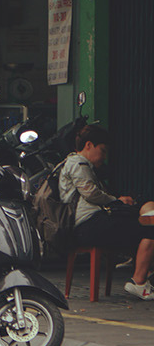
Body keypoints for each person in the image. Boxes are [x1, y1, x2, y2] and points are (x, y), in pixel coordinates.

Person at [58, 122, 154, 301]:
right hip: (88, 226)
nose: (104, 157)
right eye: (102, 150)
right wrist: (116, 200)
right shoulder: (77, 162)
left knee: (143, 222)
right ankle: (139, 282)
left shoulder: (83, 165)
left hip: (92, 224)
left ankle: (140, 269)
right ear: (89, 145)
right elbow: (90, 193)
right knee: (149, 227)